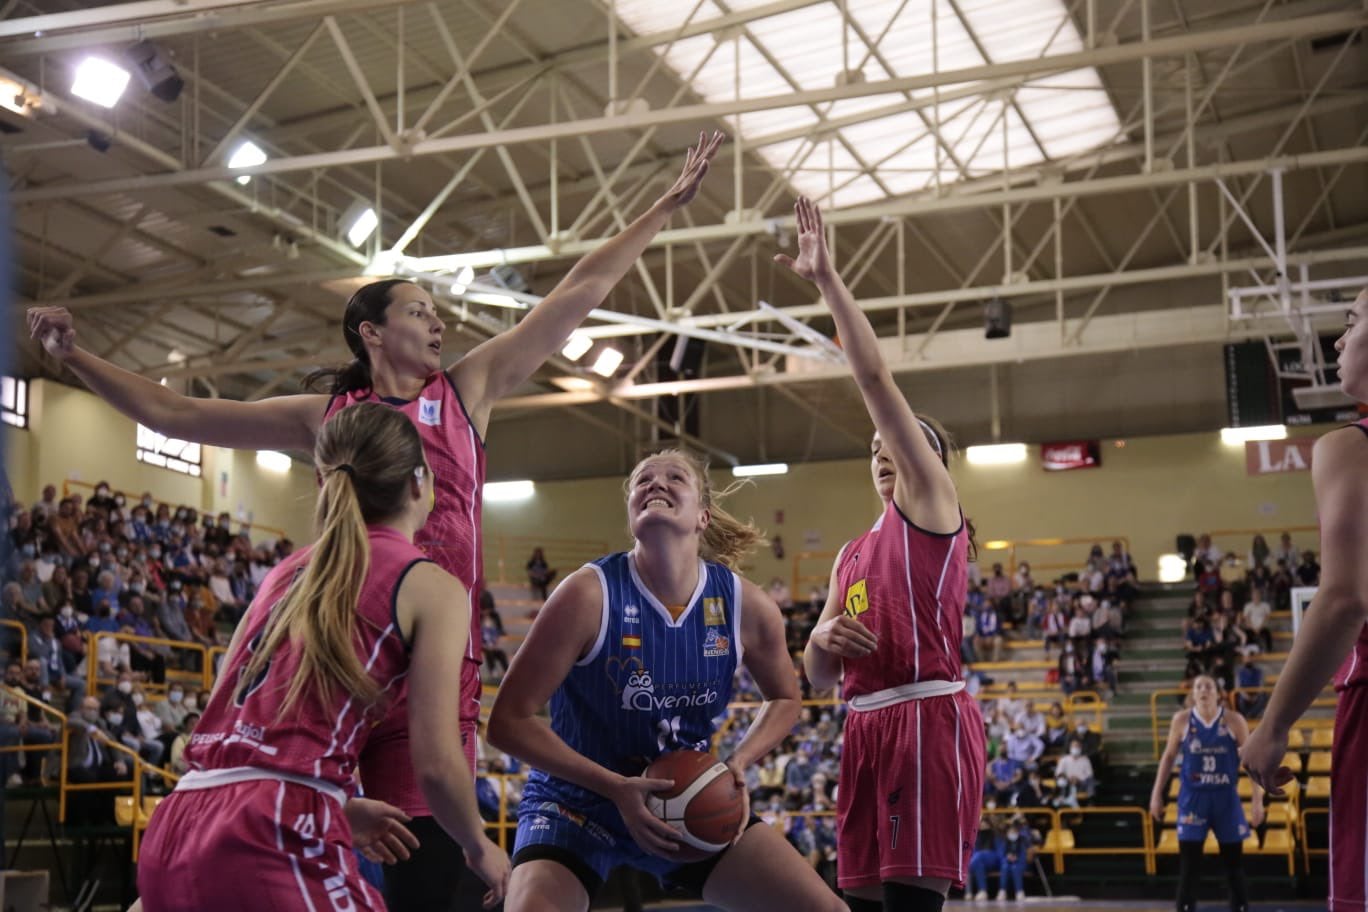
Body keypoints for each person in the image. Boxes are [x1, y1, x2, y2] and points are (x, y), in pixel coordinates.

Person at [30, 132, 724, 912]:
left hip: (429, 668)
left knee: (423, 873)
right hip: (341, 657)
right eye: (421, 313)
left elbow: (578, 291)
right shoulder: (331, 417)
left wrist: (662, 207)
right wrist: (78, 358)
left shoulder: (466, 390)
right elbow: (182, 412)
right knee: (278, 816)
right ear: (371, 331)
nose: (440, 326)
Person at [135, 403, 510, 911]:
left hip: (179, 820)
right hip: (272, 826)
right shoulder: (431, 584)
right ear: (421, 483)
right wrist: (477, 844)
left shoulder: (285, 573)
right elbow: (438, 762)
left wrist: (339, 803)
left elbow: (231, 704)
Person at [487, 450, 841, 912]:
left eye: (674, 477)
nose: (654, 484)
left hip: (683, 799)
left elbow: (785, 698)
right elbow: (508, 723)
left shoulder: (745, 605)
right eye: (641, 480)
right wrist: (615, 786)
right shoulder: (586, 594)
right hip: (576, 800)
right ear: (632, 511)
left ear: (702, 516)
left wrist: (738, 763)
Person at [786, 197, 985, 912]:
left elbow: (874, 384)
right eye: (874, 449)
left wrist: (828, 284)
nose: (882, 452)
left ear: (934, 463)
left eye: (896, 444)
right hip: (862, 725)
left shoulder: (933, 506)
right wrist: (818, 637)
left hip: (924, 720)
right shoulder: (850, 553)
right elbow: (815, 671)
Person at [1243, 289, 1368, 911]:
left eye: (1352, 322)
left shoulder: (1350, 446)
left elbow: (1345, 601)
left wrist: (1273, 725)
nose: (1340, 341)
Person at [1151, 675, 1261, 912]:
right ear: (1192, 693)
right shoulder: (1181, 720)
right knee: (1189, 867)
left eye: (1208, 686)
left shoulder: (1234, 720)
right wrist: (1156, 794)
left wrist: (1257, 801)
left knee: (1233, 865)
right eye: (1198, 686)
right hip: (1193, 800)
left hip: (1226, 799)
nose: (1203, 690)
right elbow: (1168, 757)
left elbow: (1250, 761)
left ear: (1218, 692)